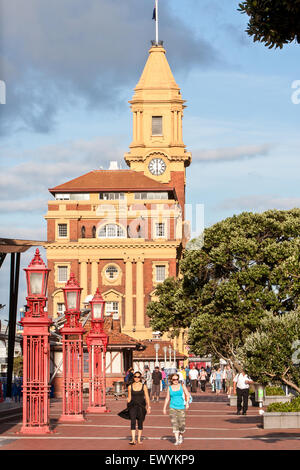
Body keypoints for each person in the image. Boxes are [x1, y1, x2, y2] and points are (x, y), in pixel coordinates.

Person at [163, 373, 190, 445]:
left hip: (181, 407)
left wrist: (187, 403)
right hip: (172, 407)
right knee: (174, 424)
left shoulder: (182, 386)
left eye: (177, 379)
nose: (176, 381)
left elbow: (187, 394)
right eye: (174, 379)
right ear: (171, 380)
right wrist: (164, 408)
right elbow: (167, 398)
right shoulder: (169, 388)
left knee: (181, 425)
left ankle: (180, 435)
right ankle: (177, 440)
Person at [126, 371, 151, 444]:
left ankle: (139, 439)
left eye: (138, 377)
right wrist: (127, 401)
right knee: (133, 421)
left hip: (141, 406)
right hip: (132, 406)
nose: (136, 378)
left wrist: (148, 407)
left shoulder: (144, 386)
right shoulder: (130, 386)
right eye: (135, 377)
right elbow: (129, 397)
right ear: (133, 377)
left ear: (140, 378)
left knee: (140, 422)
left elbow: (147, 397)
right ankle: (133, 439)